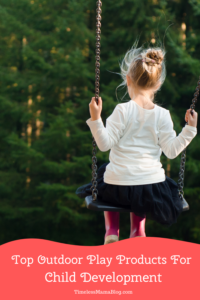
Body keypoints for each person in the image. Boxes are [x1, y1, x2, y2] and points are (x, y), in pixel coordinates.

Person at [76, 44, 198, 245]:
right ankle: (137, 230)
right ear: (158, 84)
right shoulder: (163, 115)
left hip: (117, 188)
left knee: (105, 173)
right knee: (144, 184)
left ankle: (112, 231)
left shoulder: (121, 111)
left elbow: (104, 145)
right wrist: (190, 130)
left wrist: (96, 119)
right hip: (149, 189)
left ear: (128, 80)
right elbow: (172, 151)